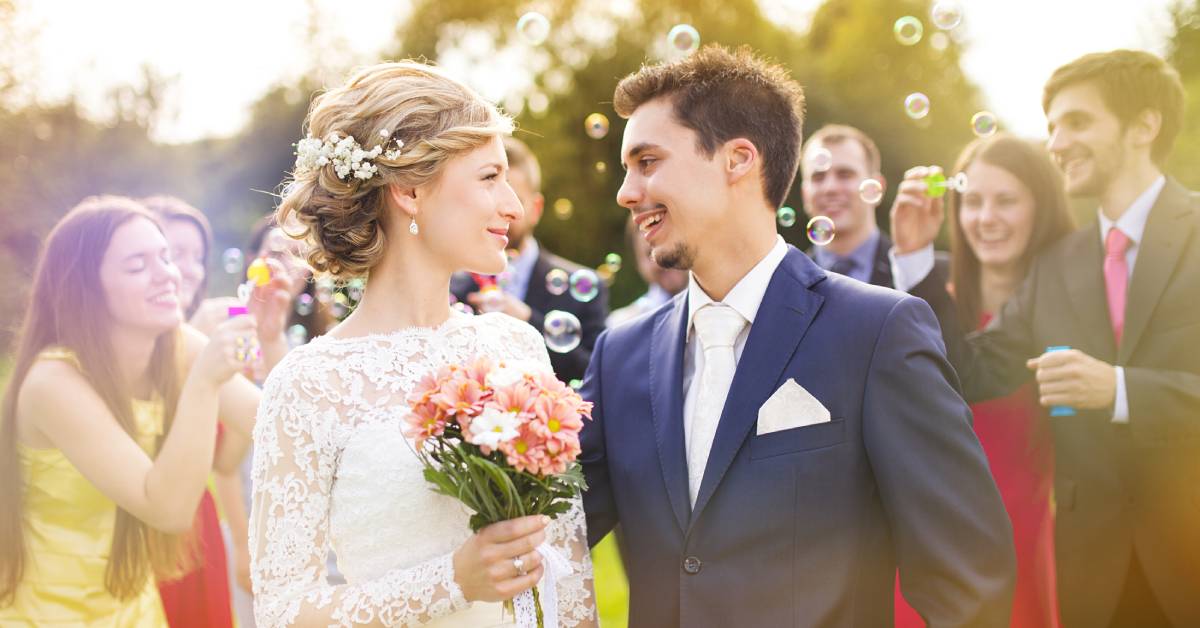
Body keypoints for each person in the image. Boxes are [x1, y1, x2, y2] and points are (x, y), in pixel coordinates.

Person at [578, 44, 1015, 627]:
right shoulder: (619, 357)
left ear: (737, 159)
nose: (626, 192)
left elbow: (969, 579)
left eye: (648, 161)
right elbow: (549, 531)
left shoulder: (877, 331)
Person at [251, 61, 597, 627]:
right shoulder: (309, 385)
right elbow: (283, 611)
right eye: (489, 177)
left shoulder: (517, 346)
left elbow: (570, 568)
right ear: (409, 190)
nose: (512, 204)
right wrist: (453, 582)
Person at [890, 49, 1200, 627]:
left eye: (1077, 122)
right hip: (1091, 578)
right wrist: (913, 262)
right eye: (1053, 126)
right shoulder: (1056, 265)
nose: (1056, 143)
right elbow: (971, 371)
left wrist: (1121, 390)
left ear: (1144, 127)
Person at [0, 196, 262, 625]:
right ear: (85, 288)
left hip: (133, 606)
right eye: (138, 266)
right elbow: (168, 510)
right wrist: (202, 384)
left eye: (165, 257)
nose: (168, 275)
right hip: (48, 611)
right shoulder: (52, 383)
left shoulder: (177, 345)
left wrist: (270, 340)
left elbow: (272, 422)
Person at [890, 135, 1074, 628]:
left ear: (1042, 206)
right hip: (928, 547)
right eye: (973, 201)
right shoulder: (929, 287)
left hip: (1022, 542)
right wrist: (912, 254)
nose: (985, 218)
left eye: (1006, 200)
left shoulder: (1069, 301)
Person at [451, 137, 608, 383]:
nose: (503, 212)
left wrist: (527, 321)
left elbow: (597, 375)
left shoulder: (585, 286)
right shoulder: (452, 288)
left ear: (536, 208)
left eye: (516, 199)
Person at [607, 215, 688, 327]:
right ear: (637, 264)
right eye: (650, 253)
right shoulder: (621, 325)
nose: (664, 259)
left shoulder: (716, 308)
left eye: (669, 247)